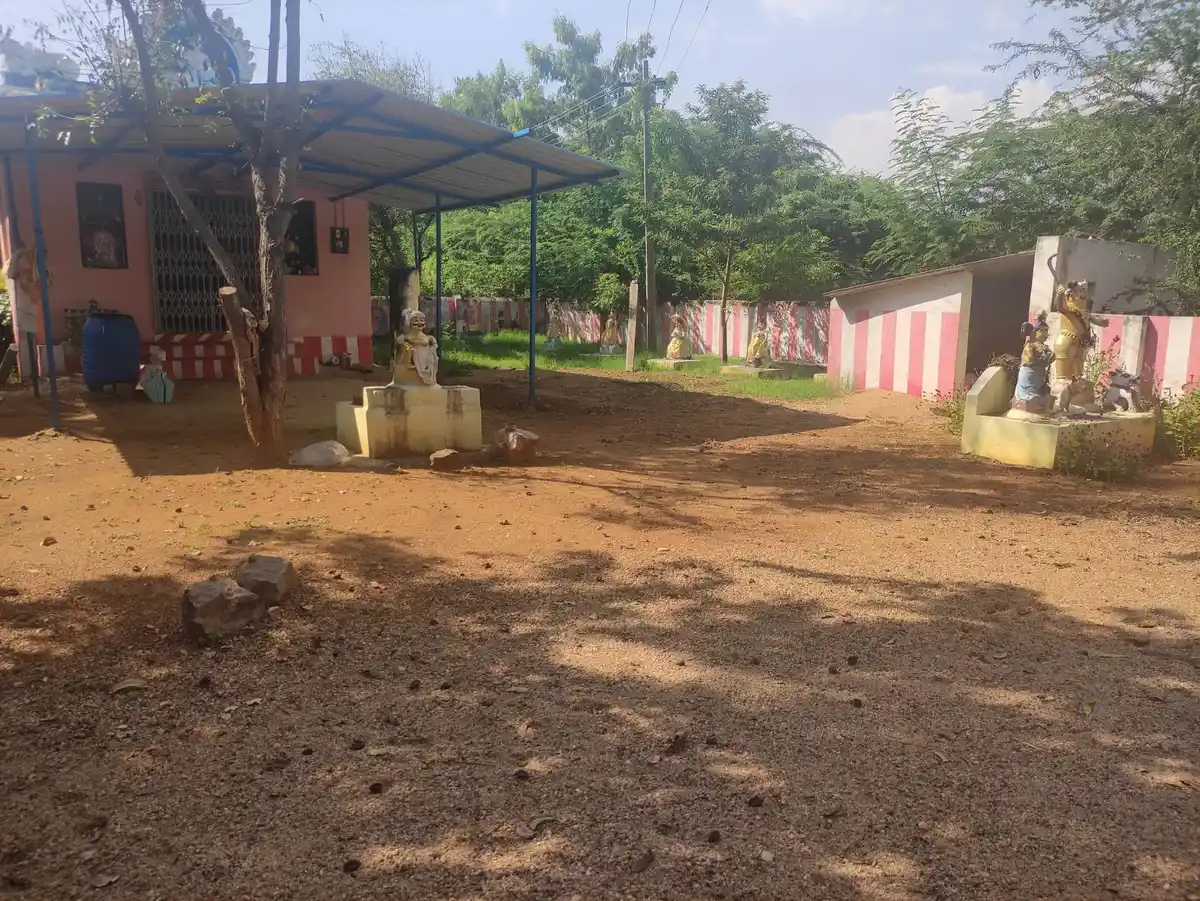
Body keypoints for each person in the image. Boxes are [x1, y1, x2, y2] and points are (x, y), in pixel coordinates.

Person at [5, 242, 41, 385]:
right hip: (26, 299)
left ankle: (33, 372)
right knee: (29, 336)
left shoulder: (26, 258)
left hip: (29, 299)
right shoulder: (22, 258)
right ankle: (31, 372)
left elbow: (13, 273)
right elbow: (11, 274)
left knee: (31, 335)